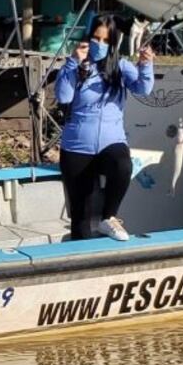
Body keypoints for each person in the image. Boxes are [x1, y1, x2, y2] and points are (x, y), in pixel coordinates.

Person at [55, 15, 155, 241]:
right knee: (80, 215)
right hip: (76, 146)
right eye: (95, 38)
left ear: (113, 43)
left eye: (105, 40)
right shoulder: (75, 65)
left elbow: (143, 89)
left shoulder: (120, 66)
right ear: (88, 38)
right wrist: (72, 63)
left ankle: (109, 217)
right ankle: (80, 265)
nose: (99, 44)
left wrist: (146, 64)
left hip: (111, 142)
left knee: (122, 165)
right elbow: (63, 96)